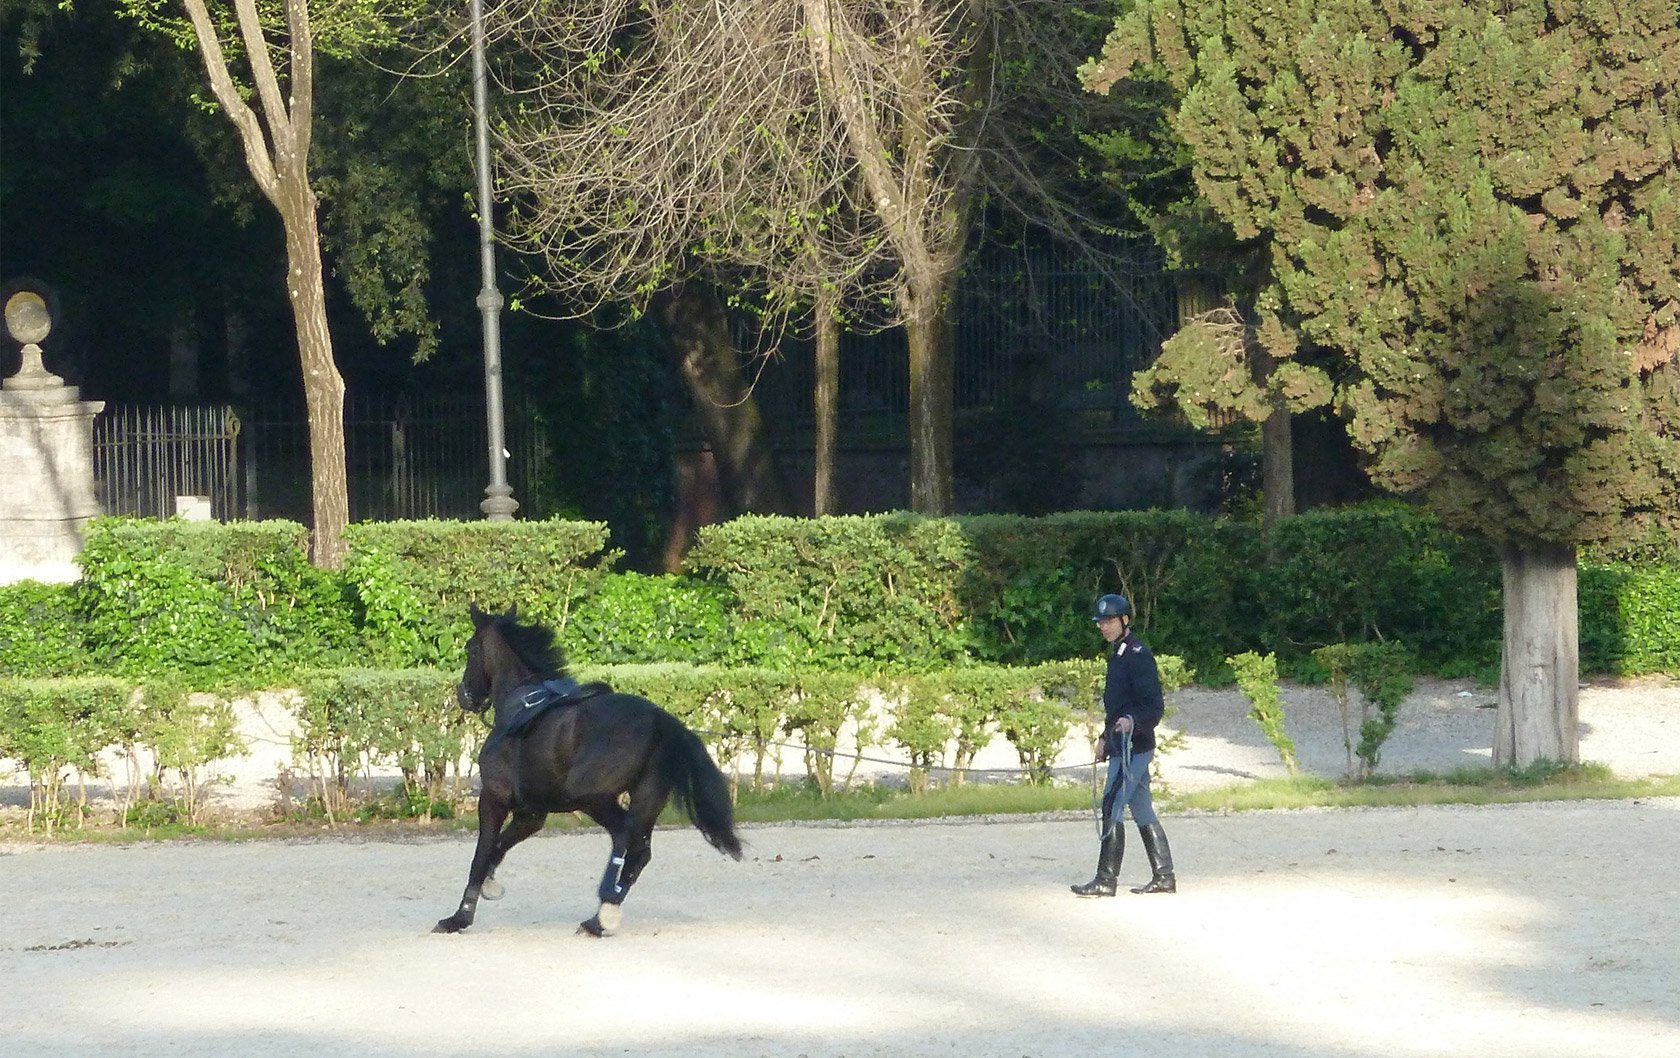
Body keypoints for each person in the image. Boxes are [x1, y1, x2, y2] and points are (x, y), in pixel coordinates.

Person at [1071, 593, 1177, 897]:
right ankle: (1164, 876)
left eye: (1108, 621)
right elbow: (1116, 705)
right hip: (1120, 743)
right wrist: (1105, 736)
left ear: (1124, 620)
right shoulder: (1118, 654)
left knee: (1111, 802)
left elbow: (1153, 705)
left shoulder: (1138, 655)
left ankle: (1106, 879)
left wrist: (1133, 721)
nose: (1103, 626)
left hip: (1136, 745)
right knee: (1142, 808)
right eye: (1101, 622)